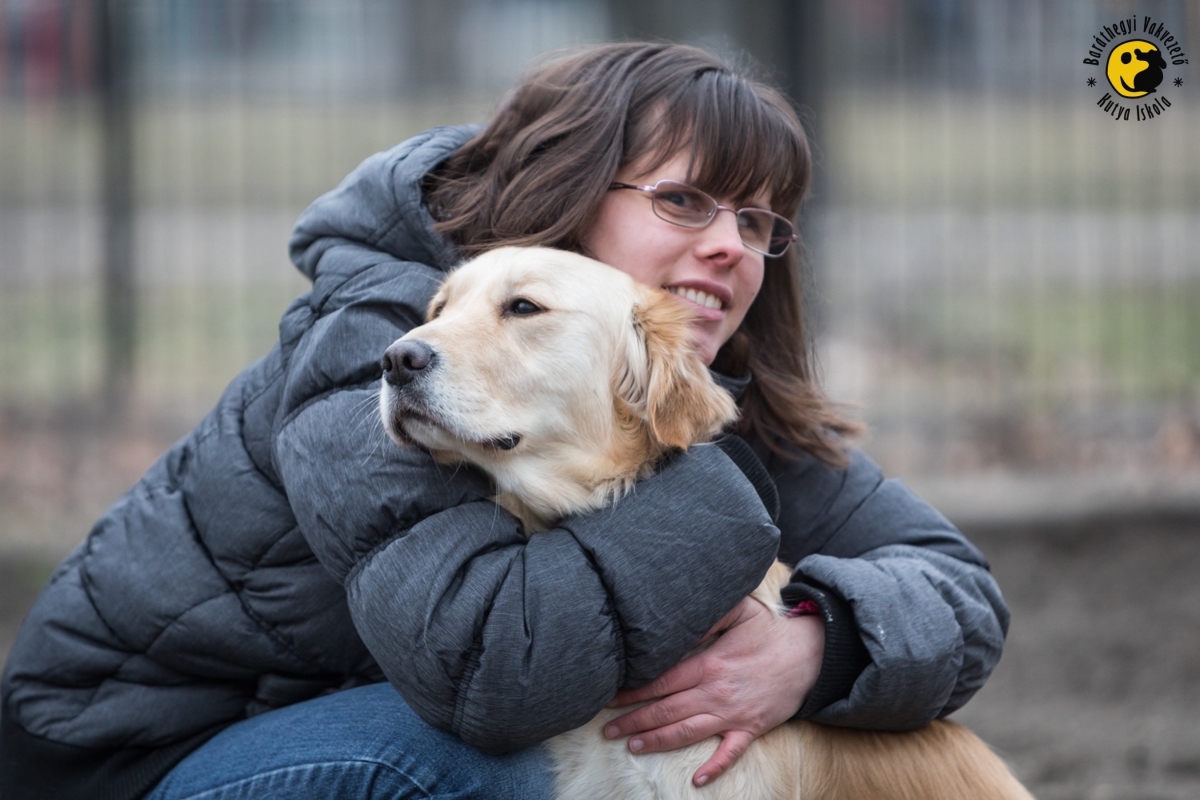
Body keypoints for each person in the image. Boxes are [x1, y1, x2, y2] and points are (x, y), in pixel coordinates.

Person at [0, 43, 1008, 800]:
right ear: (571, 185)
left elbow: (956, 583)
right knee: (518, 765)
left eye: (756, 221)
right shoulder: (392, 343)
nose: (731, 248)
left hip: (342, 718)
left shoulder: (668, 366)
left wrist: (814, 646)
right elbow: (500, 675)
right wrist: (705, 475)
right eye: (687, 200)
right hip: (139, 762)